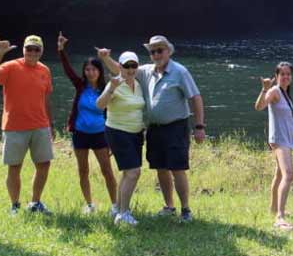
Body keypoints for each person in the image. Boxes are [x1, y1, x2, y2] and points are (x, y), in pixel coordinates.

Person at [99, 35, 205, 223]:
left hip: (176, 127)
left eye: (160, 50)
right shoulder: (145, 71)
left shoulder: (180, 71)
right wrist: (106, 58)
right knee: (161, 169)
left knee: (177, 168)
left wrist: (199, 126)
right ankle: (169, 206)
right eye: (153, 51)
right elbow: (123, 70)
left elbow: (195, 97)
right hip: (154, 129)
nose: (156, 54)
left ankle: (186, 210)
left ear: (169, 51)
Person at [0, 35, 55, 215]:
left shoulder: (45, 70)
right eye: (28, 49)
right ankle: (15, 206)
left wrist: (51, 124)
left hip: (40, 126)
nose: (32, 52)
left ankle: (35, 203)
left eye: (36, 49)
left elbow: (46, 99)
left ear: (41, 51)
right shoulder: (11, 67)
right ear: (23, 50)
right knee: (15, 167)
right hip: (15, 127)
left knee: (44, 165)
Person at [57, 32, 118, 215]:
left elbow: (112, 114)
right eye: (87, 69)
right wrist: (61, 49)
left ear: (100, 71)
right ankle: (89, 204)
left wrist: (113, 138)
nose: (90, 72)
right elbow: (67, 69)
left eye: (94, 69)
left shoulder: (107, 88)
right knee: (83, 170)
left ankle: (115, 205)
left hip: (100, 135)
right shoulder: (80, 86)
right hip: (80, 135)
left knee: (107, 171)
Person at [97, 51, 145, 226]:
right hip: (118, 132)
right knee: (134, 172)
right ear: (121, 67)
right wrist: (111, 88)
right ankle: (124, 214)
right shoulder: (115, 83)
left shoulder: (138, 84)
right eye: (126, 66)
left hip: (136, 134)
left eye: (134, 66)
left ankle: (117, 208)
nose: (130, 69)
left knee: (128, 173)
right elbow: (99, 105)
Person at [254, 62, 293, 230]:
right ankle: (280, 217)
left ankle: (274, 209)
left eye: (288, 74)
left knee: (279, 174)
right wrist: (264, 89)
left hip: (286, 138)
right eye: (282, 74)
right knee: (289, 174)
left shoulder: (285, 93)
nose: (286, 77)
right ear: (277, 76)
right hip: (279, 139)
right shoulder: (274, 91)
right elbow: (259, 107)